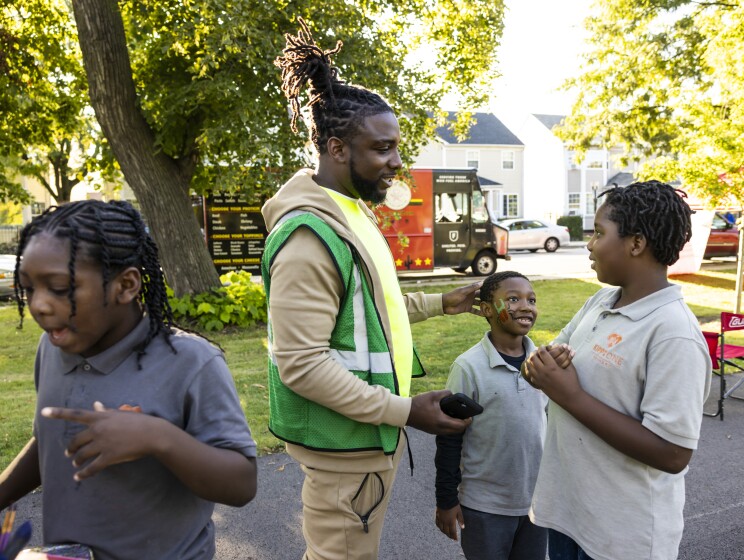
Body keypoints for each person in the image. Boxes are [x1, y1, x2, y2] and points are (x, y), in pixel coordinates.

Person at [264, 20, 478, 560]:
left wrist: (440, 302)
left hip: (363, 436)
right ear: (337, 148)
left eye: (397, 147)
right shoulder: (310, 237)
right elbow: (303, 364)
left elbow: (365, 311)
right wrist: (407, 411)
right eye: (382, 149)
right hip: (344, 447)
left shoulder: (351, 214)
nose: (397, 162)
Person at [0, 200, 257, 560]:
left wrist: (157, 437)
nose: (39, 305)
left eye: (59, 288)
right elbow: (50, 440)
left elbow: (242, 484)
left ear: (126, 285)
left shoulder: (191, 362)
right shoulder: (52, 348)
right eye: (28, 289)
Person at [523, 181, 712, 560]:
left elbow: (673, 453)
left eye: (599, 233)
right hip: (568, 514)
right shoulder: (601, 301)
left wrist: (570, 394)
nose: (590, 244)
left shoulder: (673, 332)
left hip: (623, 537)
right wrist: (543, 366)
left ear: (636, 243)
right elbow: (543, 365)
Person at [434, 271, 570, 559]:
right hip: (484, 507)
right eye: (512, 299)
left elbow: (551, 427)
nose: (526, 306)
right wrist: (446, 499)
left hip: (535, 504)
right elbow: (449, 436)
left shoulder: (543, 363)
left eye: (531, 299)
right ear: (486, 309)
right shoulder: (468, 367)